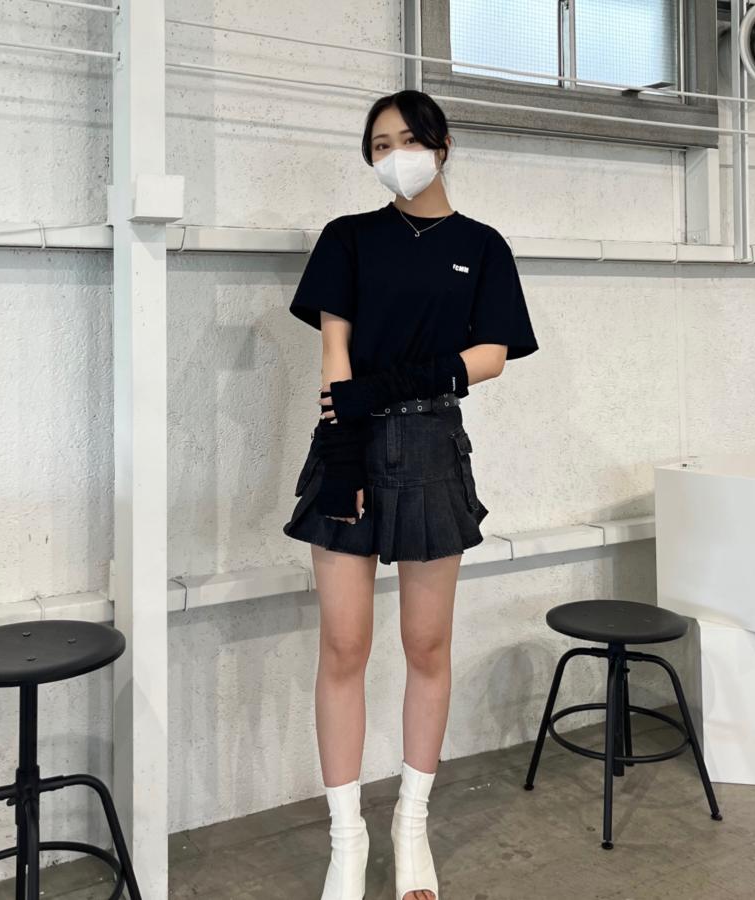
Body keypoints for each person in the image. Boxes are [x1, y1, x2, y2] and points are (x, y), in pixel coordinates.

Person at [282, 89, 538, 900]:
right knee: (343, 646)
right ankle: (347, 839)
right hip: (350, 441)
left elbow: (493, 355)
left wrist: (397, 383)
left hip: (431, 447)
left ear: (442, 144)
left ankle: (411, 825)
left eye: (406, 140)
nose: (394, 156)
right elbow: (335, 351)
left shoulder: (482, 246)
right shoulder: (348, 238)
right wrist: (344, 454)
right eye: (379, 145)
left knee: (426, 645)